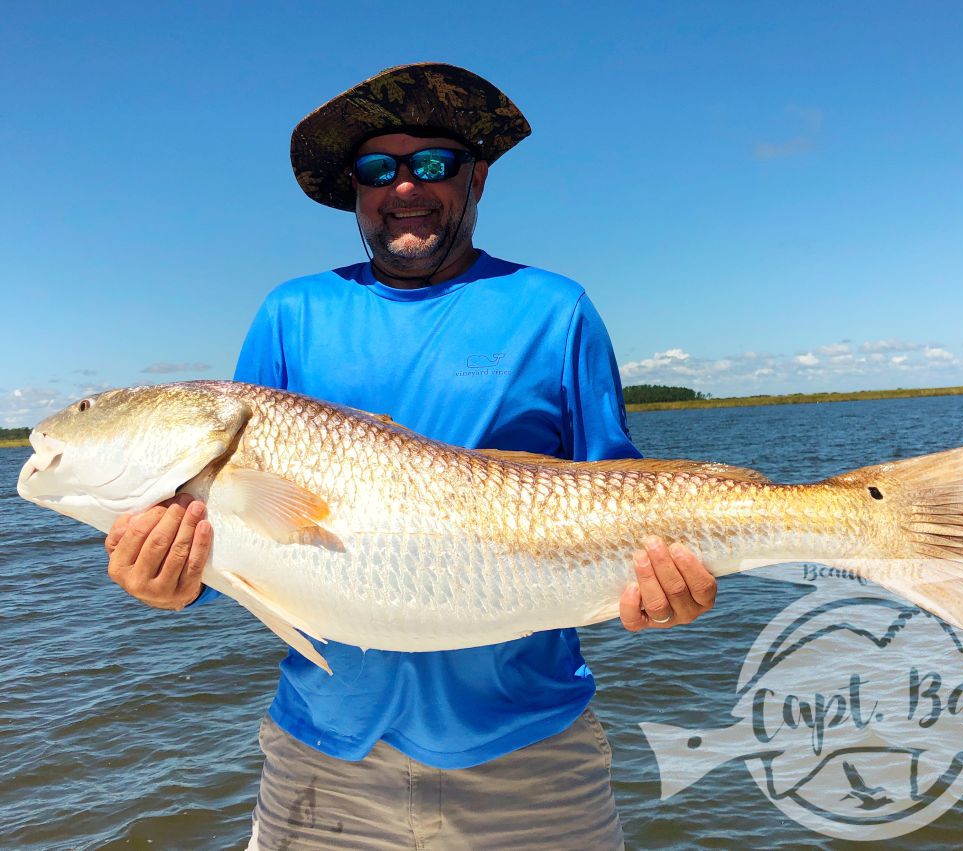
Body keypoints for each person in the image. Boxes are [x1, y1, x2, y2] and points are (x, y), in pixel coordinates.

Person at [103, 63, 718, 849]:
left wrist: (665, 586)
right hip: (323, 760)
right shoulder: (290, 313)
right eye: (376, 168)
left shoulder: (554, 308)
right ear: (353, 189)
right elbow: (235, 538)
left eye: (434, 163)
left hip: (532, 761)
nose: (405, 188)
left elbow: (623, 499)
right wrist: (170, 580)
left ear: (478, 178)